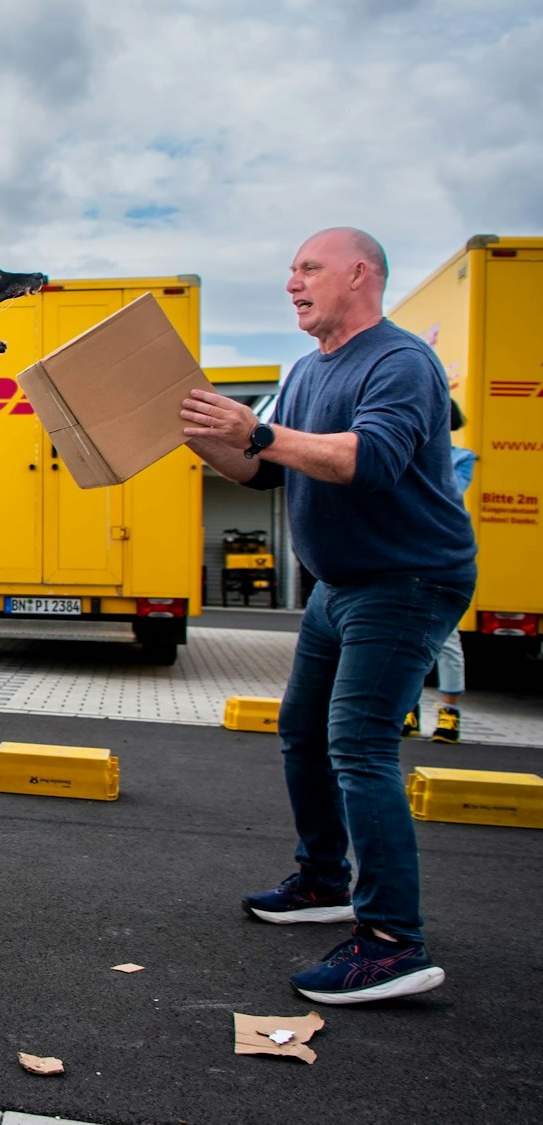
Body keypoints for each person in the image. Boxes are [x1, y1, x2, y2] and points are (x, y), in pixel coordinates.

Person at [179, 227, 475, 1005]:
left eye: (309, 268)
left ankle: (392, 943)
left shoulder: (402, 361)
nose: (292, 282)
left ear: (359, 274)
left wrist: (259, 430)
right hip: (338, 585)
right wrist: (204, 437)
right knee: (303, 730)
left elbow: (368, 460)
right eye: (291, 270)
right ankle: (322, 881)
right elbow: (259, 471)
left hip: (407, 578)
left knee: (359, 743)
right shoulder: (306, 371)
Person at [405, 398, 473, 744]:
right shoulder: (406, 455)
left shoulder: (461, 459)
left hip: (442, 557)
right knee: (404, 639)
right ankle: (409, 709)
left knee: (446, 641)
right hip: (402, 555)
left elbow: (448, 496)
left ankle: (449, 713)